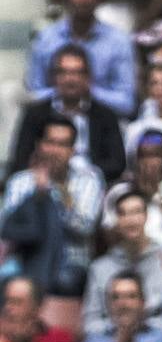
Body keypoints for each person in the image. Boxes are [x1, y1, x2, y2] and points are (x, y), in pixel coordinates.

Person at [0, 114, 104, 298]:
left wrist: (59, 190)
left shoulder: (89, 180)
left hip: (70, 262)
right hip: (24, 259)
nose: (55, 150)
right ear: (39, 145)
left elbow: (85, 228)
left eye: (63, 144)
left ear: (72, 150)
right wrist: (36, 197)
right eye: (50, 142)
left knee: (64, 280)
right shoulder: (20, 181)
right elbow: (7, 229)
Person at [9, 44, 126, 185]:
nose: (70, 79)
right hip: (45, 185)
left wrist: (86, 175)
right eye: (63, 72)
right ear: (53, 77)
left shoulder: (105, 116)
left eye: (77, 73)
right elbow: (20, 161)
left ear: (87, 78)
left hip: (93, 184)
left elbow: (117, 163)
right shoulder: (35, 114)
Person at [26, 0, 137, 118]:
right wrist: (65, 90)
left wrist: (88, 91)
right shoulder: (46, 38)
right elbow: (34, 94)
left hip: (101, 121)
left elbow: (126, 103)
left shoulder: (118, 41)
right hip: (54, 119)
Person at [82, 190, 162, 336]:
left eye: (136, 212)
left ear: (146, 216)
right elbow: (89, 323)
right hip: (111, 340)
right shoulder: (99, 268)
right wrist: (121, 328)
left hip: (156, 341)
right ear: (117, 220)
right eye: (123, 213)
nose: (130, 220)